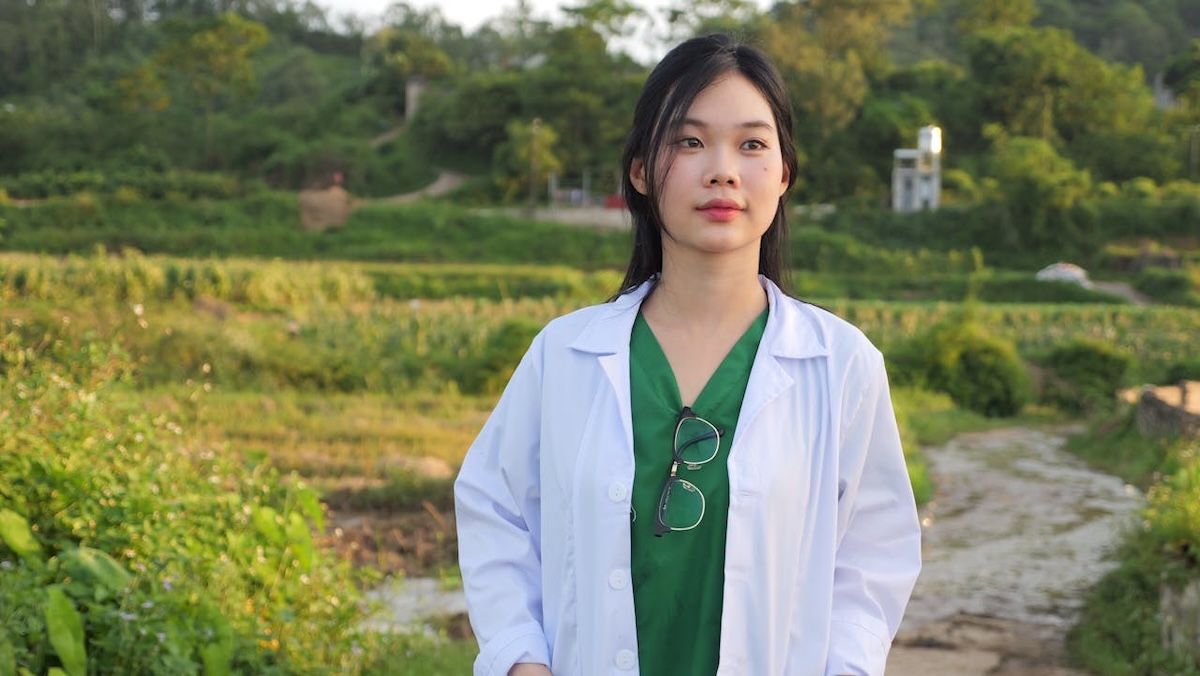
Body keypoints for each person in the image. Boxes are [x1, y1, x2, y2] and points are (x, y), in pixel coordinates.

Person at [454, 33, 922, 676]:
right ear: (641, 172)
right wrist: (519, 657)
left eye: (752, 145)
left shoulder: (841, 365)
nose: (722, 170)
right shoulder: (563, 356)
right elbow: (494, 508)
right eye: (689, 141)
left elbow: (873, 557)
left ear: (784, 175)